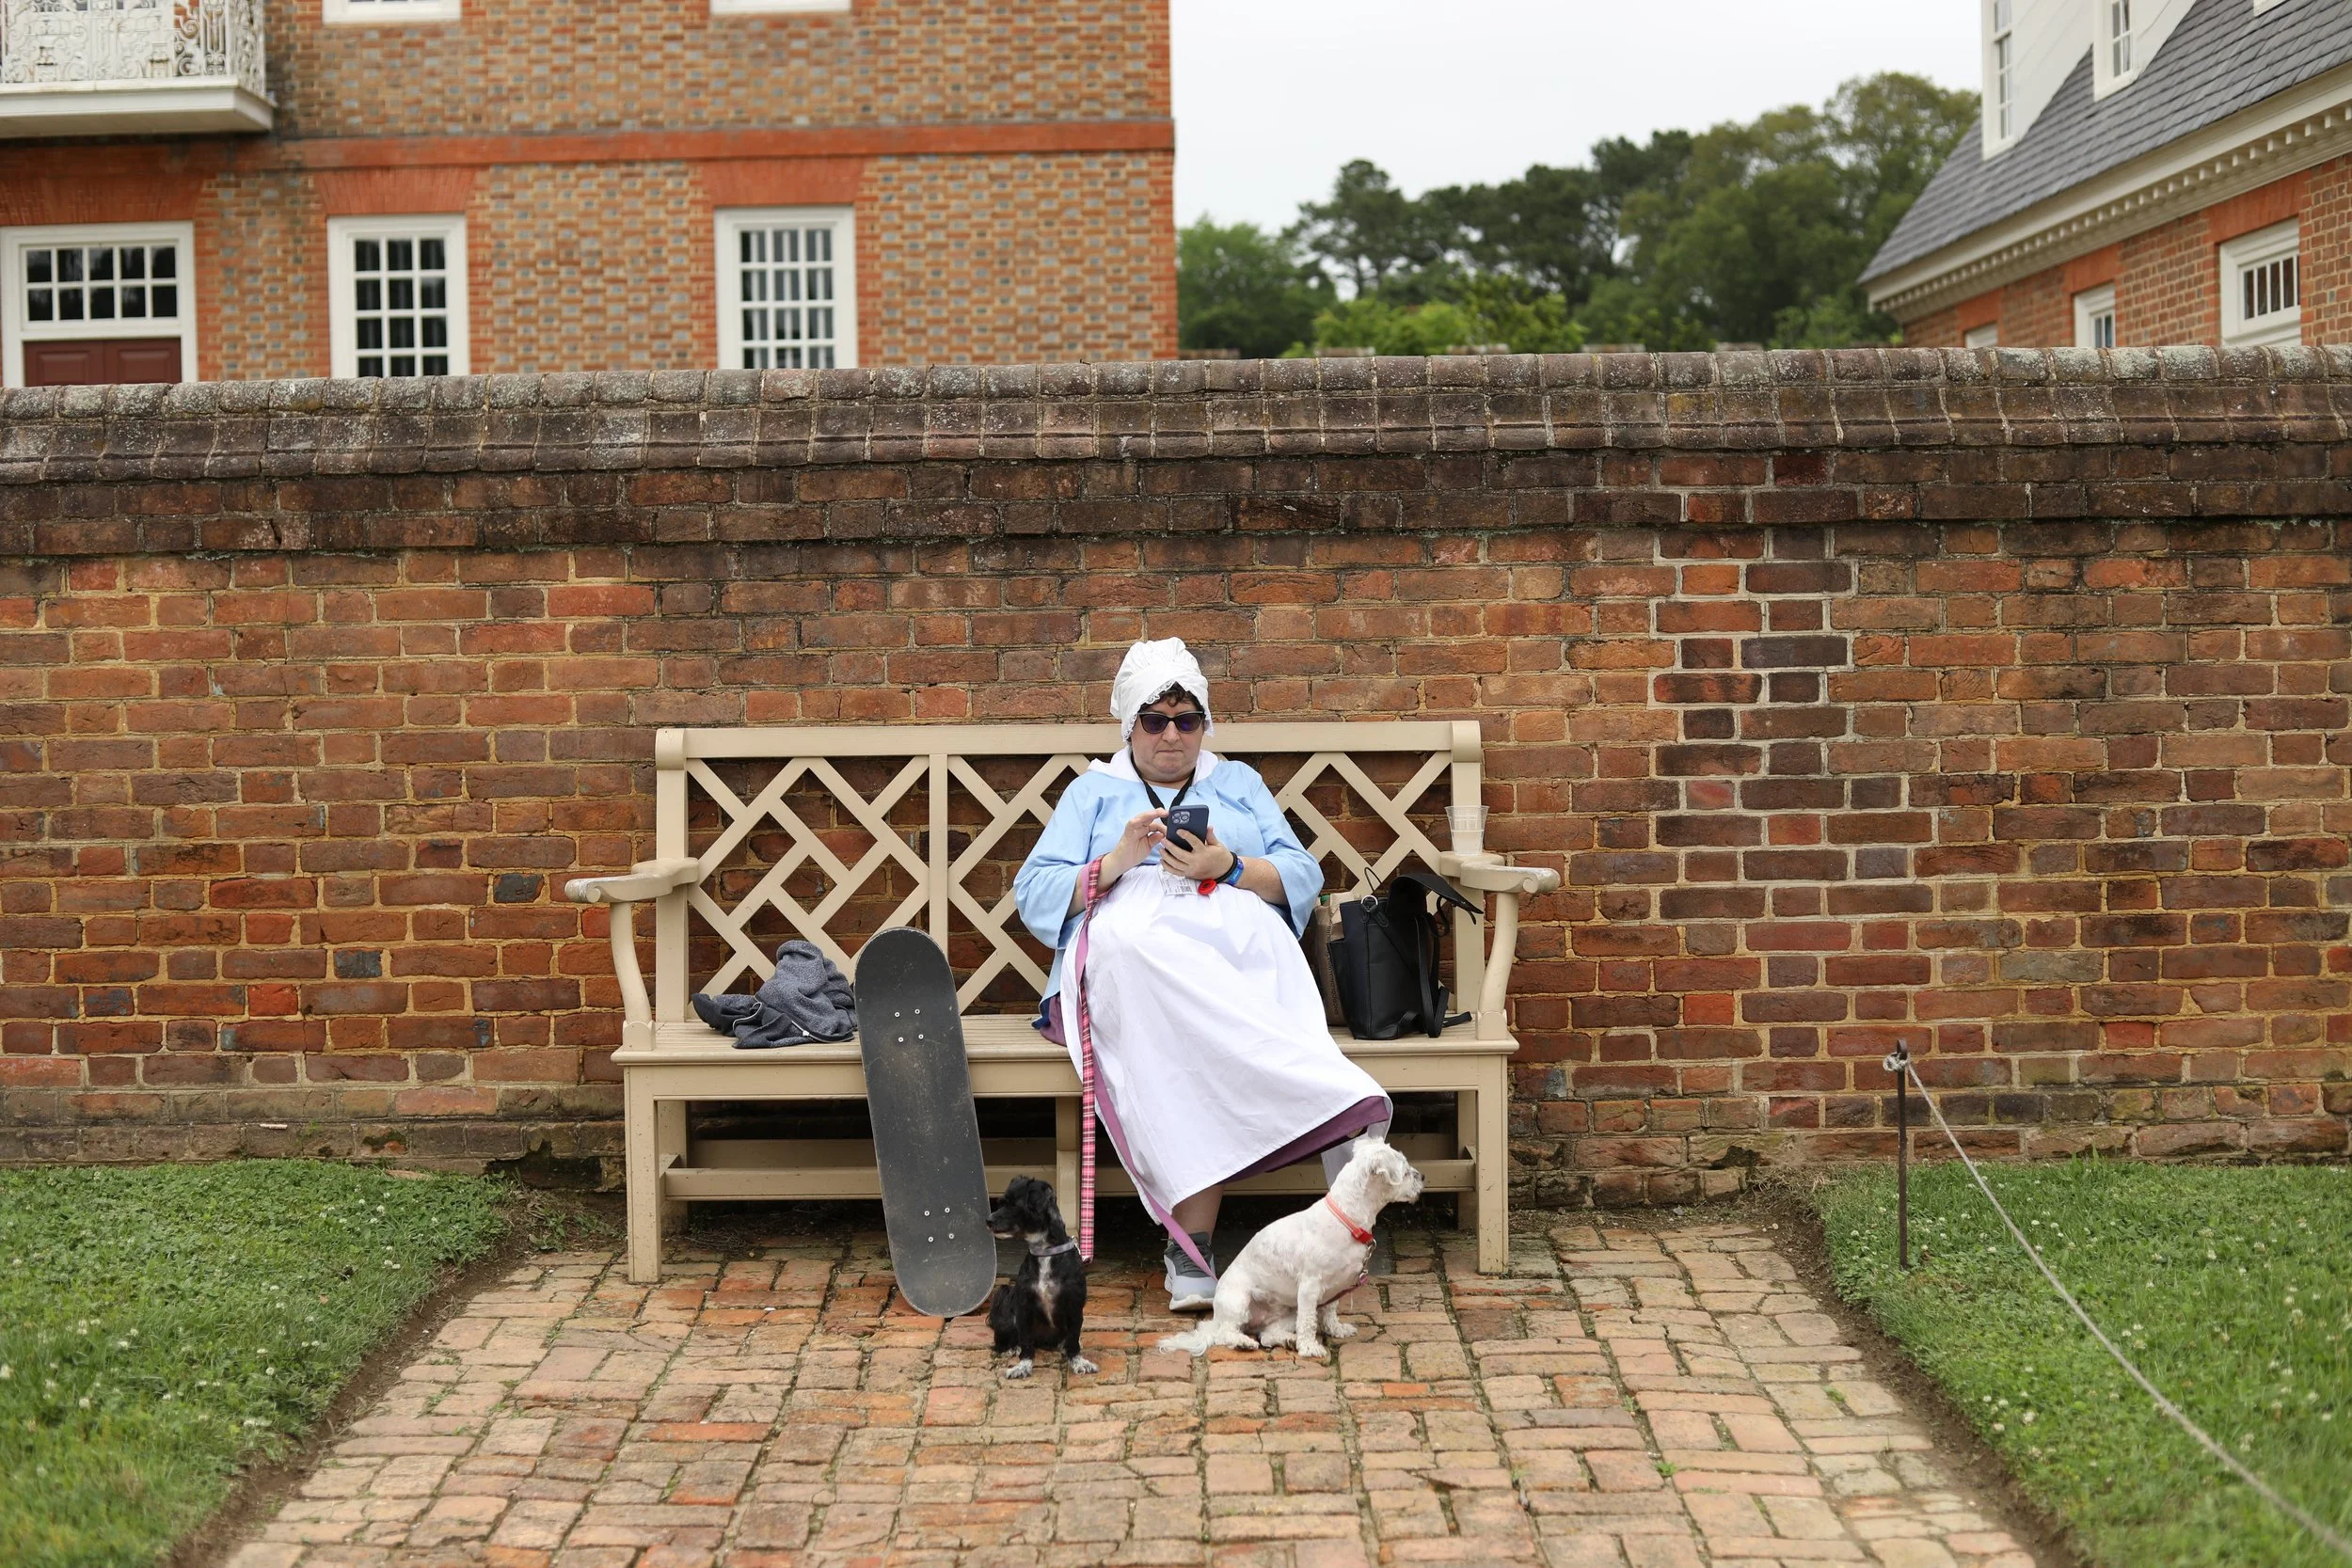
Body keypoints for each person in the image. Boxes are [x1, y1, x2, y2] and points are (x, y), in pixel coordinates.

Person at [1014, 638, 1391, 1311]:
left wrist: (1230, 866)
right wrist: (1119, 860)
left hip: (1232, 956)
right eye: (1154, 719)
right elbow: (1036, 892)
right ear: (1128, 723)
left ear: (1204, 725)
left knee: (1224, 1007)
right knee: (1139, 959)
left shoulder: (1237, 783)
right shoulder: (1093, 792)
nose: (1171, 735)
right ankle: (1194, 1242)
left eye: (1187, 720)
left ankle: (1293, 1189)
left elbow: (1303, 874)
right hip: (1139, 964)